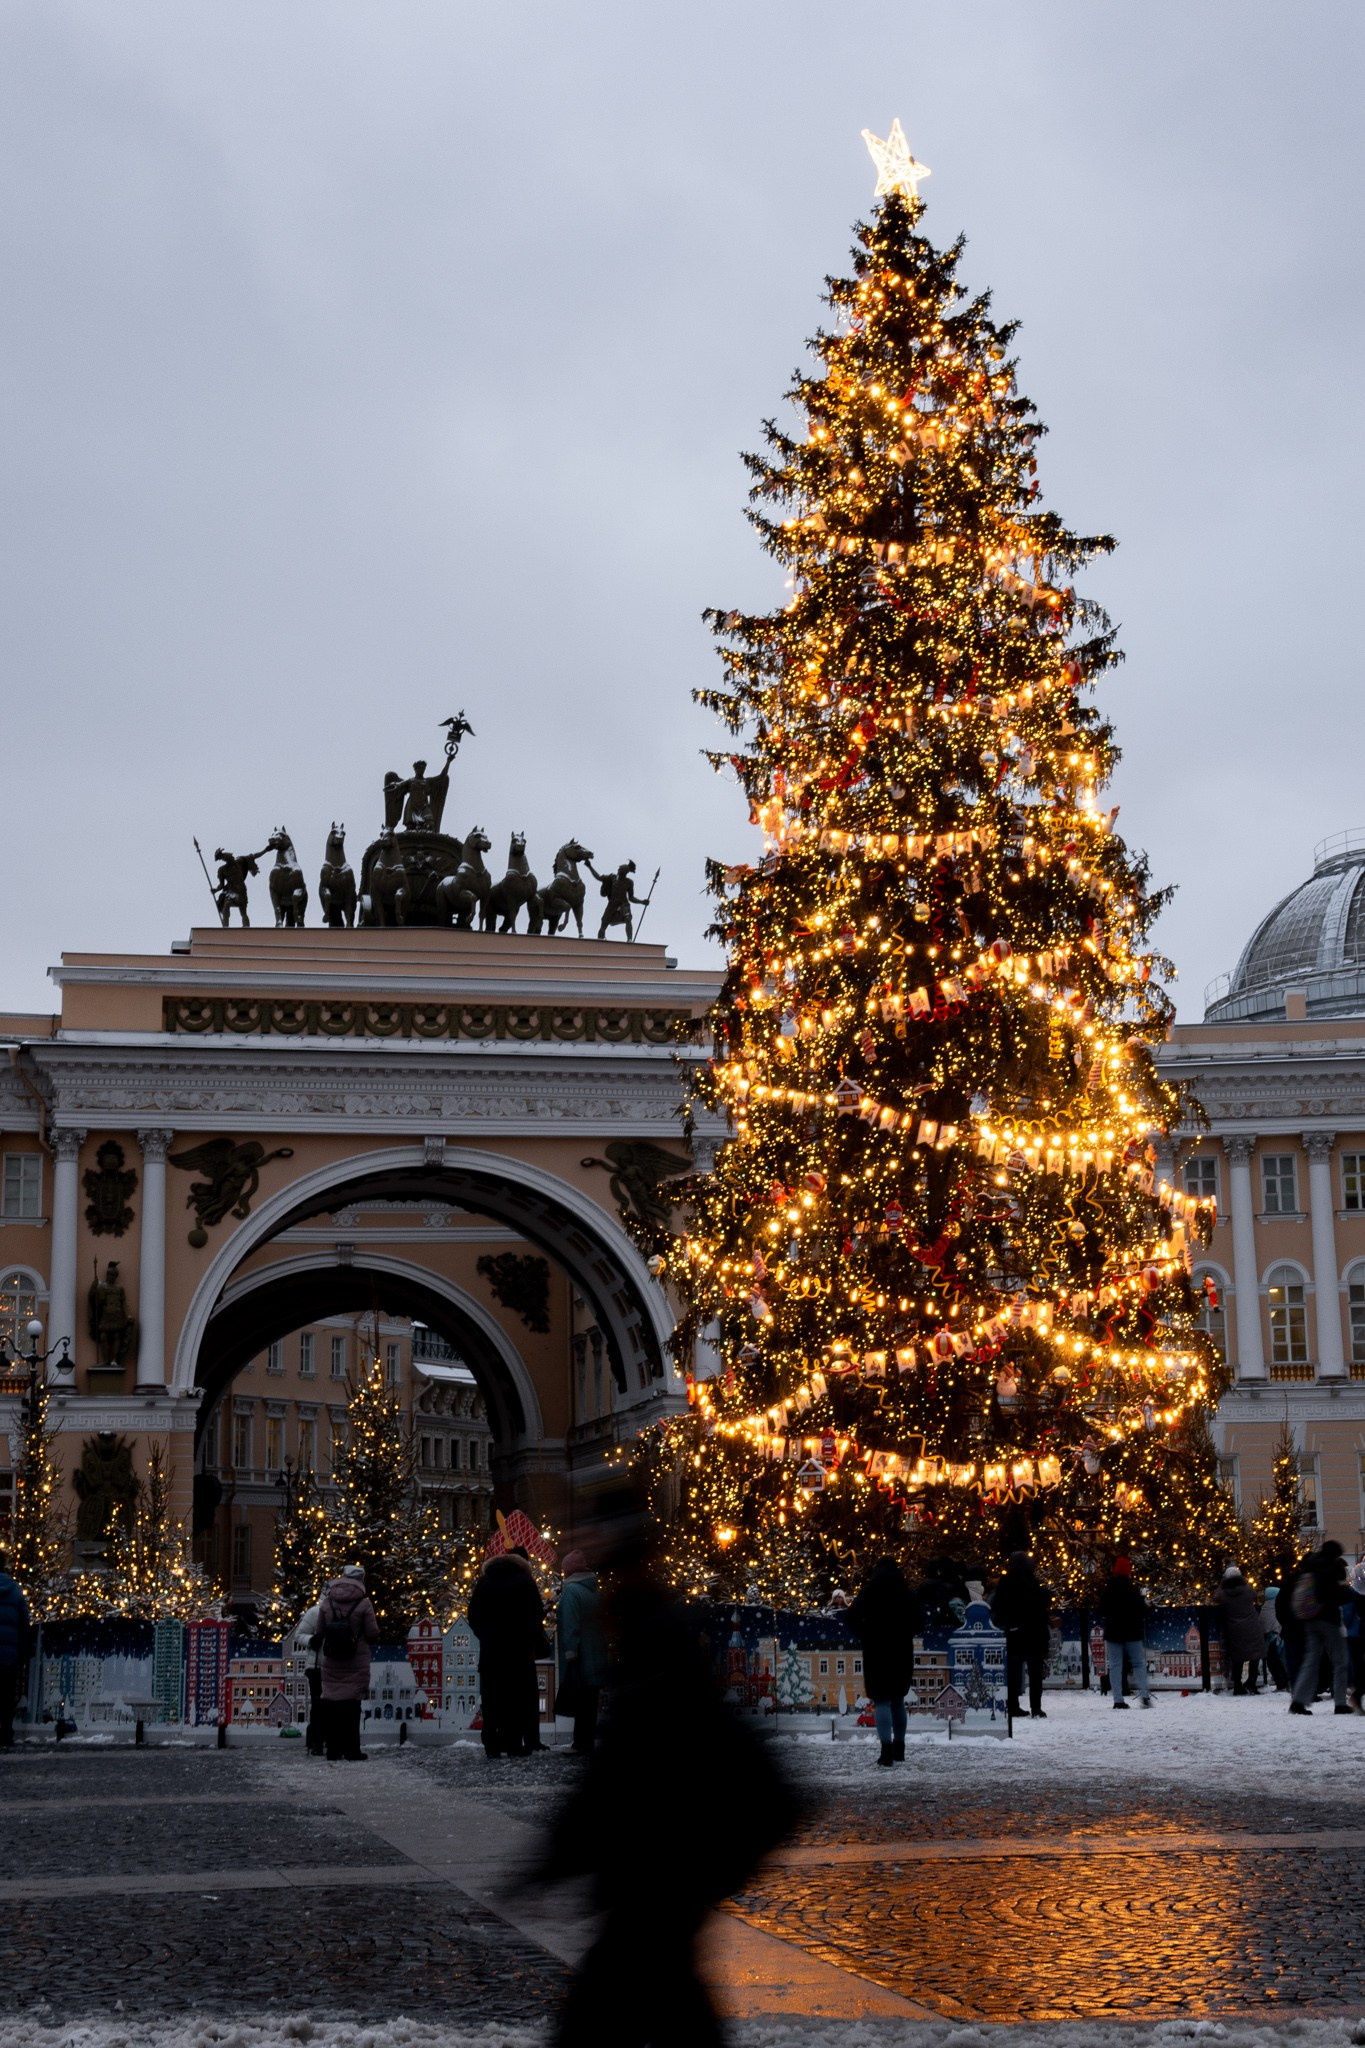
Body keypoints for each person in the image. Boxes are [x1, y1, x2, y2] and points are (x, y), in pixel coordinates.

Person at [529, 1545, 800, 2048]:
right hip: (667, 1899)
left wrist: (541, 1871)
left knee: (605, 2017)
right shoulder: (676, 1689)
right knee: (677, 2011)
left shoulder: (651, 1699)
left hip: (649, 1899)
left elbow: (598, 1798)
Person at [469, 1547, 549, 1759]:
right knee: (515, 1699)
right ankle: (513, 1743)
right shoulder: (525, 1582)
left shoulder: (484, 1582)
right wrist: (525, 1638)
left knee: (492, 1699)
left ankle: (491, 1744)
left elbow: (473, 1616)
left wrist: (487, 1637)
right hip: (518, 1653)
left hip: (491, 1654)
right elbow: (536, 1614)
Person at [846, 1556, 921, 1765]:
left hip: (876, 1650)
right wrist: (905, 1631)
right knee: (898, 1700)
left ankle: (886, 1752)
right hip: (901, 1650)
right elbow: (919, 1621)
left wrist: (865, 1632)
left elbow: (851, 1616)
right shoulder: (906, 1592)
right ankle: (900, 1748)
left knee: (882, 1701)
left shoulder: (869, 1591)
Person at [318, 1563, 380, 1761]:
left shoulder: (327, 1602)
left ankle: (333, 1750)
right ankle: (352, 1750)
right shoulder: (365, 1604)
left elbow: (320, 1631)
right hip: (356, 1661)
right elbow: (372, 1634)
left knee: (333, 1708)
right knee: (352, 1709)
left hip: (332, 1661)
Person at [1289, 1538, 1352, 1715]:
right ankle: (1340, 1702)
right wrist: (1347, 1593)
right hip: (1328, 1619)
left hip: (1310, 1618)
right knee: (1340, 1660)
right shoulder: (1328, 1569)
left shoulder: (1312, 1565)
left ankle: (1298, 1701)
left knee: (1311, 1659)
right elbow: (1333, 1596)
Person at [990, 1549, 1054, 1719]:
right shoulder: (1031, 1582)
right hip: (1034, 1632)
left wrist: (1010, 1622)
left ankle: (1013, 1706)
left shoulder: (1007, 1582)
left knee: (1014, 1673)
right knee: (1035, 1673)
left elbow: (998, 1605)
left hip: (1016, 1633)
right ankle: (1036, 1707)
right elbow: (1039, 1605)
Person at [556, 1549, 607, 1755]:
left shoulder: (571, 1591)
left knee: (580, 1700)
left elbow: (570, 1622)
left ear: (568, 1571)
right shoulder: (593, 1590)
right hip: (595, 1651)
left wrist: (570, 1649)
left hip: (580, 1653)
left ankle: (580, 1743)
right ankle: (585, 1741)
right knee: (589, 1700)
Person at [1099, 1556, 1153, 1709]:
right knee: (1138, 1664)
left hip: (1114, 1632)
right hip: (1133, 1632)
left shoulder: (1109, 1588)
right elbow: (1142, 1610)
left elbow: (1102, 1609)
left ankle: (1118, 1699)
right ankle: (1144, 1695)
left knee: (1115, 1666)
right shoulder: (1133, 1589)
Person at [1216, 1565, 1267, 1695]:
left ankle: (1238, 1685)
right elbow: (1254, 1595)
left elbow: (1216, 1597)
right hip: (1252, 1625)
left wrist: (1222, 1583)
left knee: (1237, 1658)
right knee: (1255, 1656)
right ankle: (1251, 1683)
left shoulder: (1223, 1593)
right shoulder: (1246, 1589)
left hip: (1234, 1628)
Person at [0, 1552, 32, 1748]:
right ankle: (6, 1733)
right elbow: (24, 1622)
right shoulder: (14, 1589)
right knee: (6, 1695)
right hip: (9, 1656)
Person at [295, 1596, 326, 1755]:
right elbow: (299, 1635)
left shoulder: (320, 1612)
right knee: (318, 1705)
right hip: (317, 1667)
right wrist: (312, 1640)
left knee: (320, 1705)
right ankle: (317, 1742)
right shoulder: (315, 1613)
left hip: (324, 1666)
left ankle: (318, 1743)